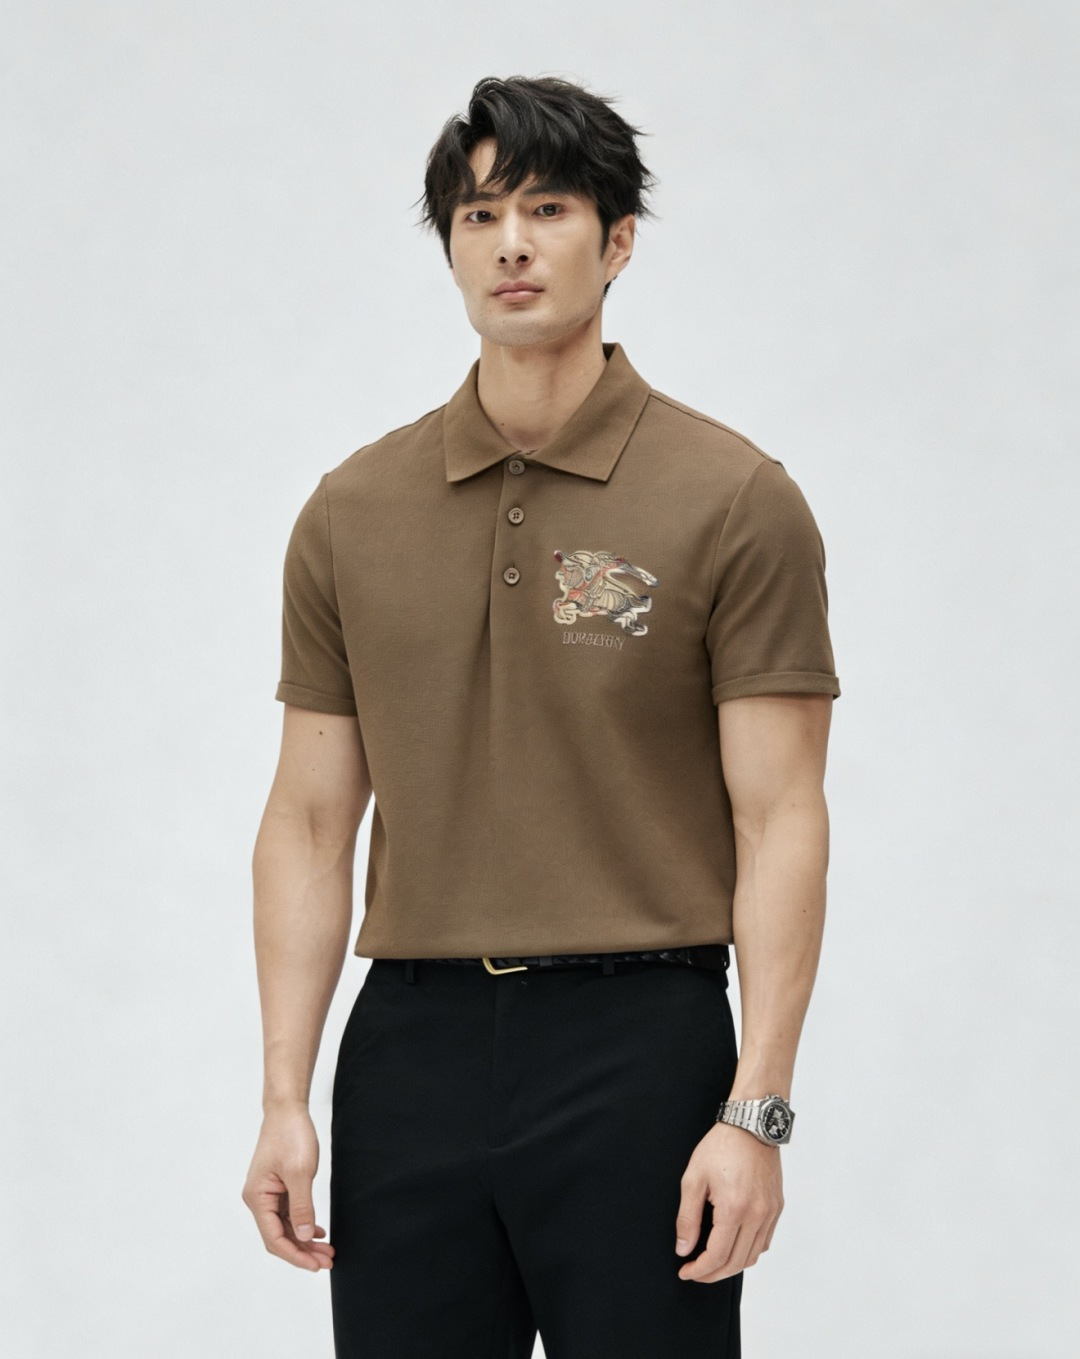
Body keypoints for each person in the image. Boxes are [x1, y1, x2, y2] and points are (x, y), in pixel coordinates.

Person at [242, 73, 841, 1359]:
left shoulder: (733, 498)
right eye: (478, 215)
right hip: (410, 1048)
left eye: (548, 209)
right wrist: (285, 1094)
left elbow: (782, 815)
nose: (510, 243)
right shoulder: (352, 512)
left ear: (617, 242)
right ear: (451, 247)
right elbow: (308, 822)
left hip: (641, 1044)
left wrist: (758, 1109)